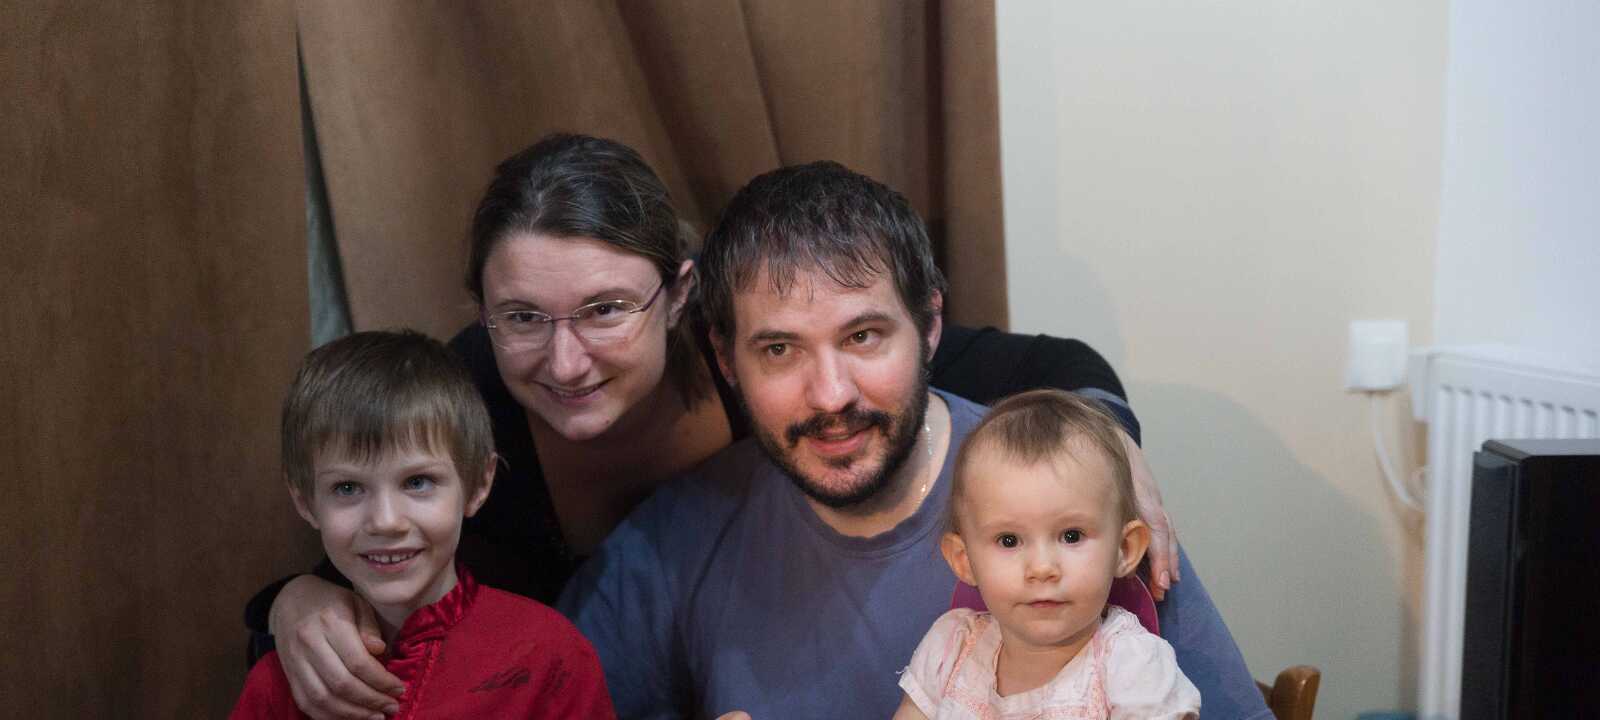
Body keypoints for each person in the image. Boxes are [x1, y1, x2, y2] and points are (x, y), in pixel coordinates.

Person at [244, 134, 1184, 720]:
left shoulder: (773, 362)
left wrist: (1099, 436)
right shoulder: (469, 404)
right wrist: (296, 600)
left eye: (606, 310)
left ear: (681, 299)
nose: (564, 361)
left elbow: (1015, 363)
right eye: (523, 317)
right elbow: (383, 550)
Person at [557, 161, 1271, 719]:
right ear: (724, 358)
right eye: (779, 350)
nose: (830, 394)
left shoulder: (1065, 491)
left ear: (930, 326)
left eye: (863, 336)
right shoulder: (676, 542)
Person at [232, 330, 613, 719]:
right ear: (305, 502)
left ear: (478, 484)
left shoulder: (550, 657)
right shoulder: (281, 684)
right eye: (347, 488)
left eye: (417, 482)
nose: (386, 521)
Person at [893, 389, 1200, 719]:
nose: (1041, 568)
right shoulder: (950, 648)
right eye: (1009, 540)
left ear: (1124, 549)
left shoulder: (1133, 669)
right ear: (964, 559)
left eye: (1071, 536)